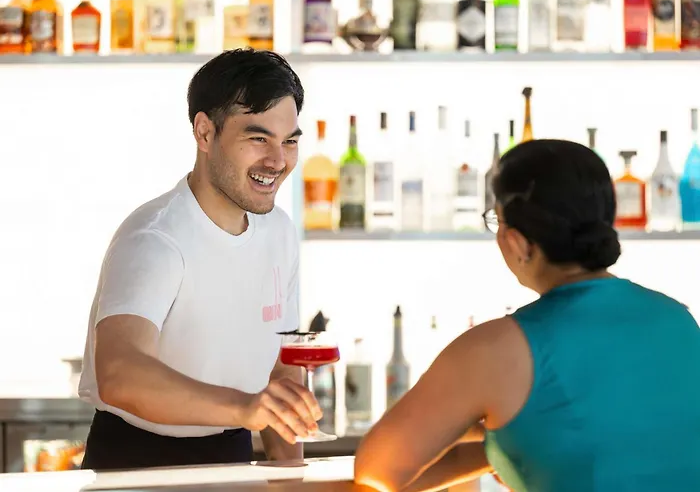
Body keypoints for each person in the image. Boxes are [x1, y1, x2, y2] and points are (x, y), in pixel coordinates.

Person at [354, 139, 700, 492]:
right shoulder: (681, 322)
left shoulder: (495, 349)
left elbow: (375, 469)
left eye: (496, 221)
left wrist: (494, 436)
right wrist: (513, 443)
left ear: (519, 242)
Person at [78, 48, 322, 471]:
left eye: (289, 142)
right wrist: (245, 407)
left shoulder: (279, 232)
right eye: (258, 138)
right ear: (205, 133)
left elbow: (281, 372)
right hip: (134, 464)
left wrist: (290, 477)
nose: (278, 161)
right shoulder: (155, 238)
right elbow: (120, 373)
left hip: (232, 457)